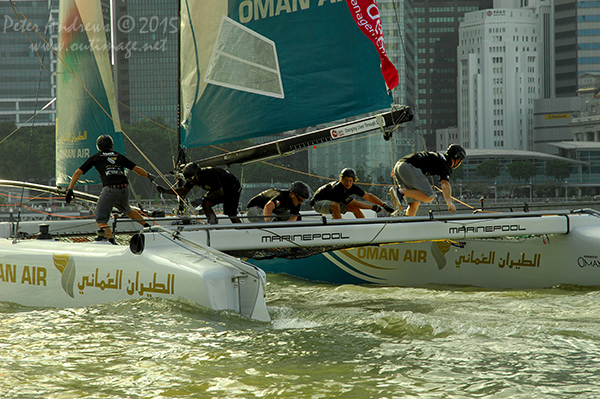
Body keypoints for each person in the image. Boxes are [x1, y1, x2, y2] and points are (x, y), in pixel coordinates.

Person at [65, 135, 154, 244]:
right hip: (125, 188)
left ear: (98, 146)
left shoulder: (96, 157)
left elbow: (77, 173)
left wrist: (70, 190)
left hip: (111, 189)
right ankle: (149, 228)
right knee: (126, 209)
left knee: (101, 219)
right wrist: (149, 176)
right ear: (111, 145)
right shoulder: (119, 156)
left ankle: (112, 243)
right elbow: (138, 170)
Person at [391, 143, 466, 217]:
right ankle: (400, 192)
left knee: (415, 202)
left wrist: (398, 168)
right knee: (429, 195)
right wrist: (449, 203)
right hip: (409, 167)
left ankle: (407, 223)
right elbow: (445, 184)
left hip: (399, 165)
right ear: (458, 159)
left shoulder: (438, 157)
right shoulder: (445, 163)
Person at [156, 162, 242, 224]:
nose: (190, 182)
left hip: (232, 187)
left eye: (190, 179)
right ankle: (213, 224)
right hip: (218, 189)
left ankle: (243, 231)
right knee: (206, 204)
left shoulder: (209, 174)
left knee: (231, 213)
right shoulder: (192, 178)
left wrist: (202, 198)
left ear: (197, 175)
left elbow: (219, 192)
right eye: (188, 180)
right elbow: (183, 191)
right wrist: (166, 190)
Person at [310, 168, 394, 219]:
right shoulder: (337, 188)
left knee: (354, 209)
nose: (348, 183)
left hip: (334, 202)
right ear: (341, 179)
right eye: (345, 180)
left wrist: (384, 206)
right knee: (335, 205)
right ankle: (339, 229)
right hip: (317, 203)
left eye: (350, 181)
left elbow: (368, 196)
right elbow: (355, 203)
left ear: (353, 181)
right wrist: (373, 207)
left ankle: (365, 228)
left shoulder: (352, 187)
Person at [246, 181, 311, 222]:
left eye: (303, 200)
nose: (300, 203)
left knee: (298, 217)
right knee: (275, 220)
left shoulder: (296, 201)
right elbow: (268, 207)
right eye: (300, 200)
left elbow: (293, 217)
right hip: (254, 209)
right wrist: (268, 223)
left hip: (273, 211)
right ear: (292, 194)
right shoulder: (281, 197)